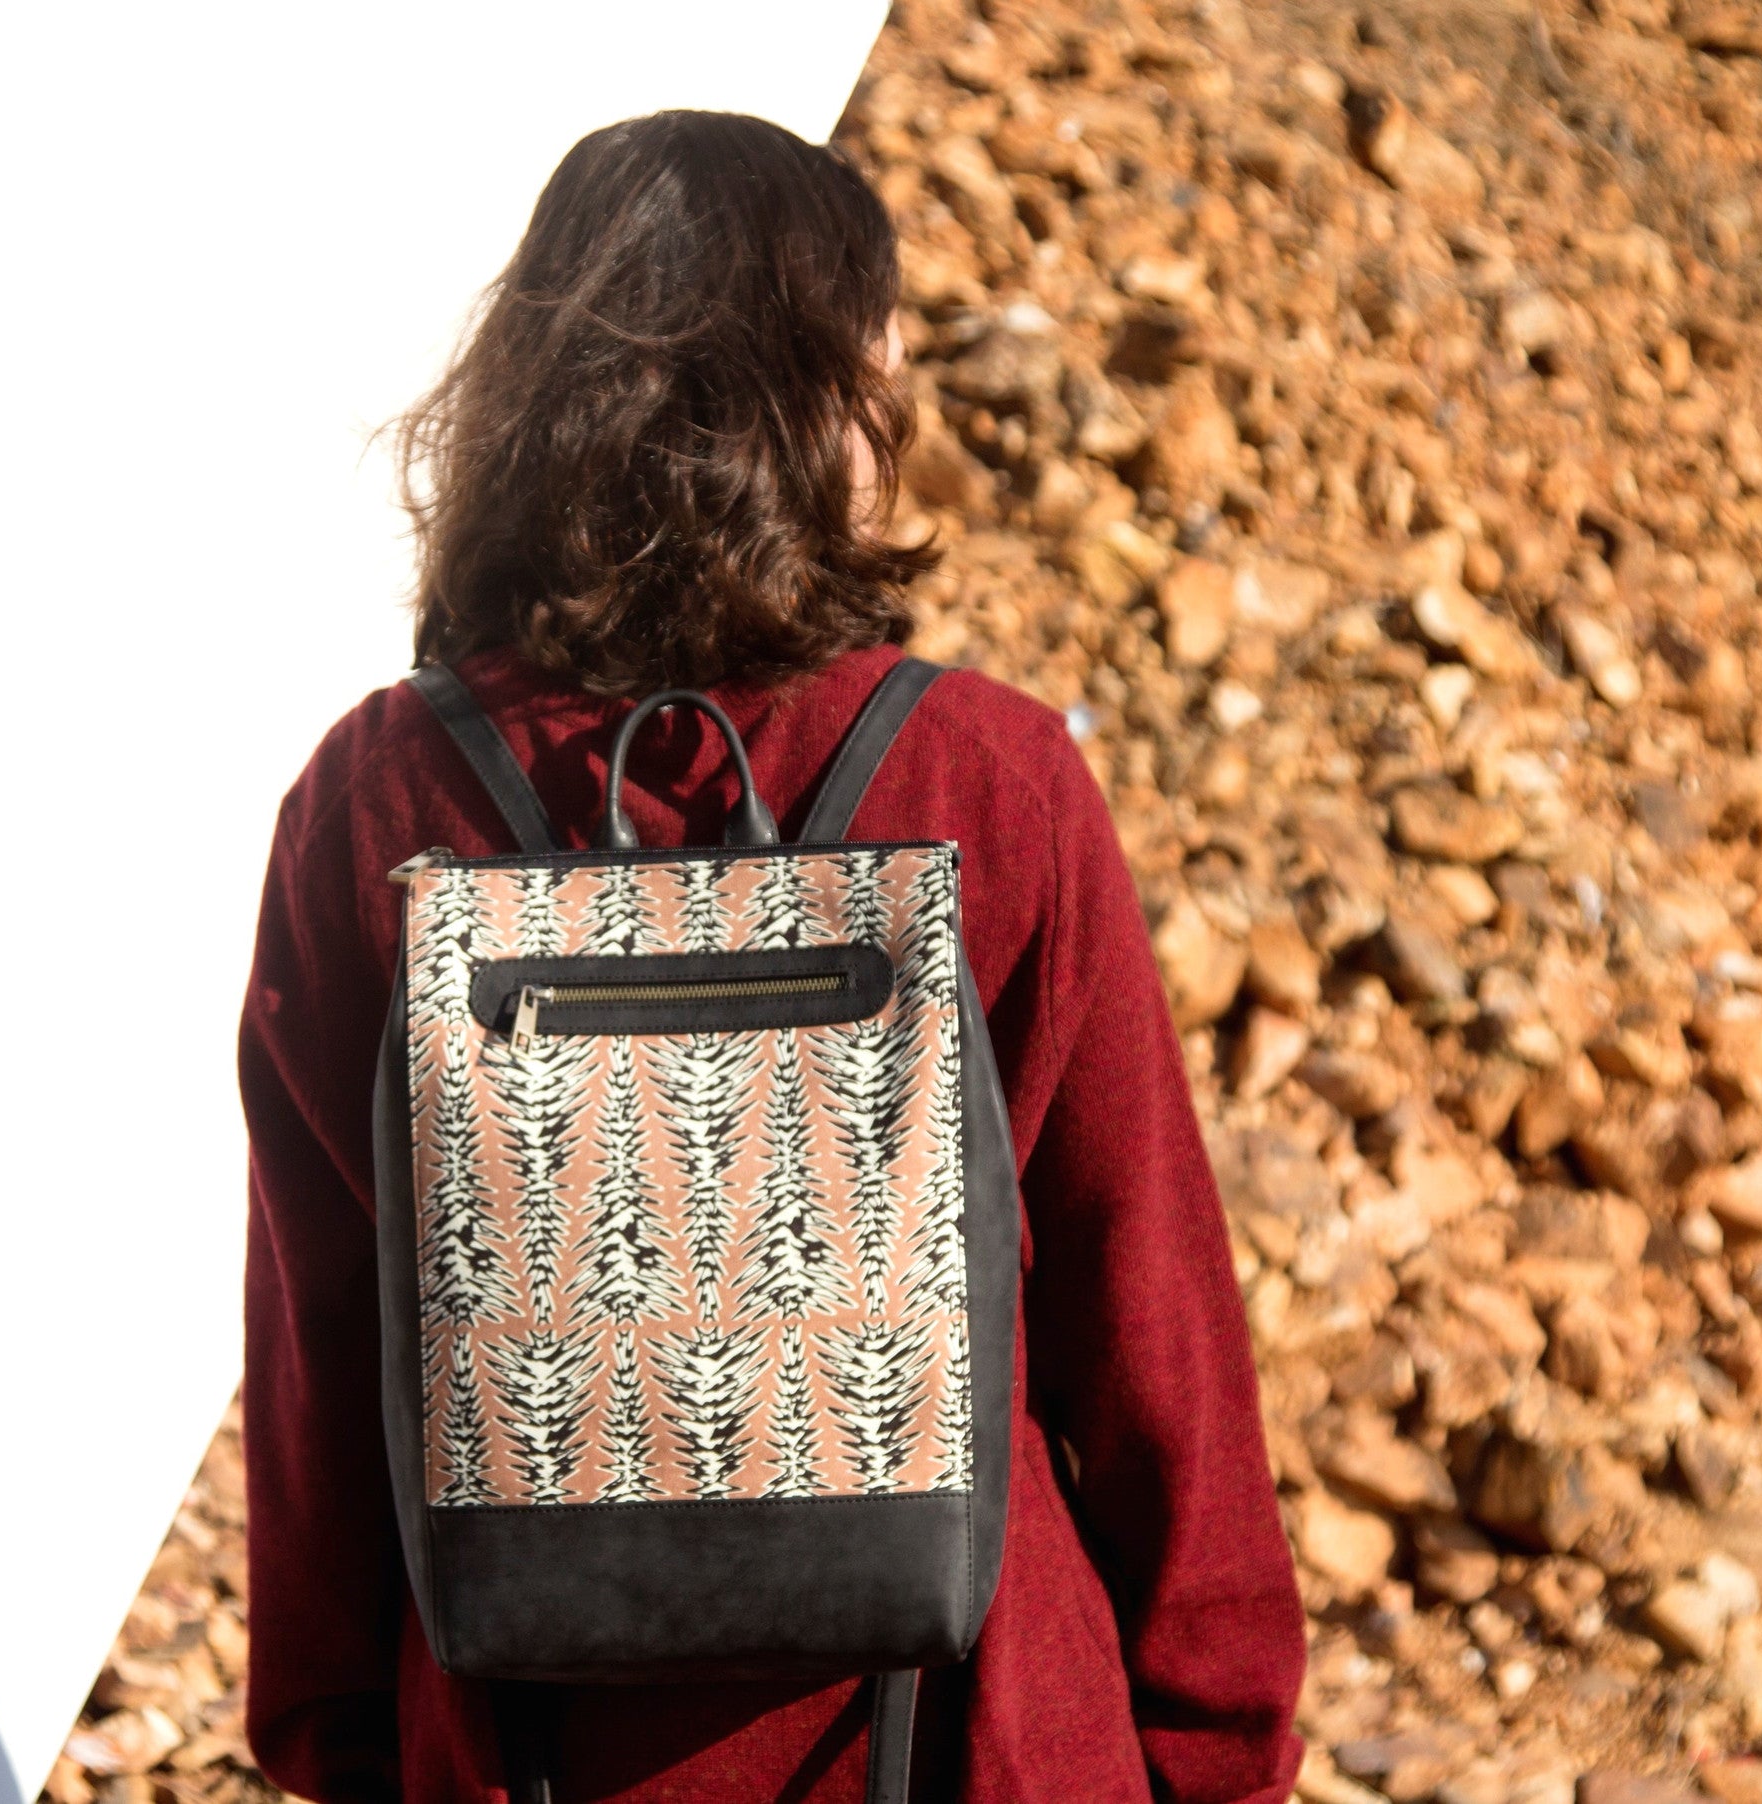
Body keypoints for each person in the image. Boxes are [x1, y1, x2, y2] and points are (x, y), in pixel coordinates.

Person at [240, 108, 1304, 1804]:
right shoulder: (989, 777)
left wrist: (337, 1724)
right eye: (881, 357)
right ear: (821, 395)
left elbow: (328, 1326)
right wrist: (1220, 1737)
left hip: (524, 1740)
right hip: (971, 1737)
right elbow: (1143, 1309)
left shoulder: (376, 799)